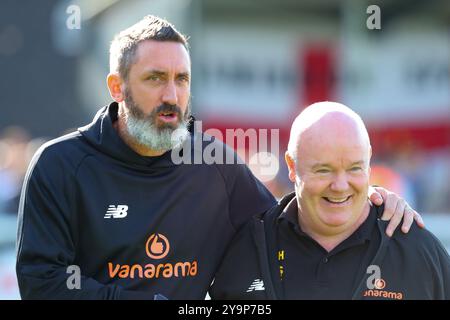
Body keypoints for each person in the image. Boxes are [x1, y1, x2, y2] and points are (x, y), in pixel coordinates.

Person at [16, 16, 421, 300]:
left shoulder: (216, 166)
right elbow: (42, 284)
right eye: (155, 79)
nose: (172, 96)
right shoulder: (60, 166)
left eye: (182, 79)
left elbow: (289, 226)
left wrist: (366, 199)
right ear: (117, 87)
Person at [209, 102, 450, 300]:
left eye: (355, 168)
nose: (340, 185)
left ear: (369, 161)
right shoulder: (246, 248)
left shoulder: (418, 251)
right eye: (324, 170)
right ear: (292, 166)